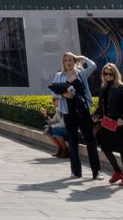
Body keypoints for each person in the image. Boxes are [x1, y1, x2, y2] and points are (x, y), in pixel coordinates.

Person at [48, 51, 101, 179]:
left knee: (90, 141)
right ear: (63, 62)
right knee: (72, 142)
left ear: (74, 61)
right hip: (68, 111)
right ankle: (76, 171)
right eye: (66, 60)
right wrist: (63, 94)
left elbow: (93, 66)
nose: (68, 62)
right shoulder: (59, 76)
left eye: (71, 60)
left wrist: (82, 58)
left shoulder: (81, 74)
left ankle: (96, 171)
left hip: (82, 110)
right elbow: (54, 94)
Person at [93, 62, 123, 186]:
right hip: (107, 123)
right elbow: (101, 106)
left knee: (122, 150)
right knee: (105, 148)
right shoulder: (104, 88)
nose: (108, 76)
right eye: (105, 74)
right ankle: (117, 171)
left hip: (120, 124)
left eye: (110, 74)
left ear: (115, 74)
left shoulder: (121, 88)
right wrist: (96, 115)